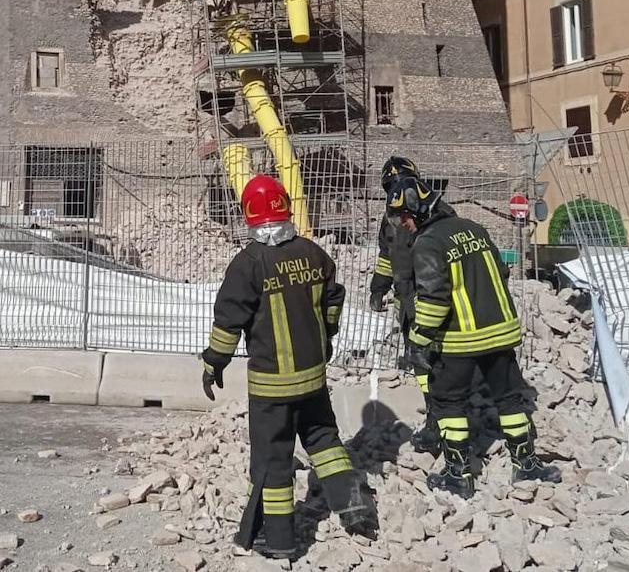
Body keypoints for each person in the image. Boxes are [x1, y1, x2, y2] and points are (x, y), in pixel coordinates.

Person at [201, 174, 377, 559]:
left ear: (249, 213)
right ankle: (356, 509)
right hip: (313, 378)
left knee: (273, 459)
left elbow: (229, 322)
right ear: (285, 206)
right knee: (325, 441)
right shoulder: (313, 254)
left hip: (272, 387)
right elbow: (333, 300)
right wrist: (325, 338)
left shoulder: (249, 263)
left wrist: (214, 361)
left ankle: (279, 539)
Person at [385, 175, 562, 499]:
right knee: (510, 398)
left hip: (460, 340)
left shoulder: (428, 243)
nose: (403, 225)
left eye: (404, 217)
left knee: (448, 402)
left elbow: (435, 299)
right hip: (501, 332)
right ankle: (526, 464)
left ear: (418, 211)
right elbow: (502, 272)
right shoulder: (473, 229)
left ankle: (458, 474)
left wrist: (419, 340)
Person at [368, 156, 441, 457]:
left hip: (431, 297)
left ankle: (442, 417)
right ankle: (436, 414)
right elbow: (387, 256)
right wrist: (378, 287)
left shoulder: (432, 213)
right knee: (422, 360)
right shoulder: (391, 219)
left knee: (434, 359)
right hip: (411, 300)